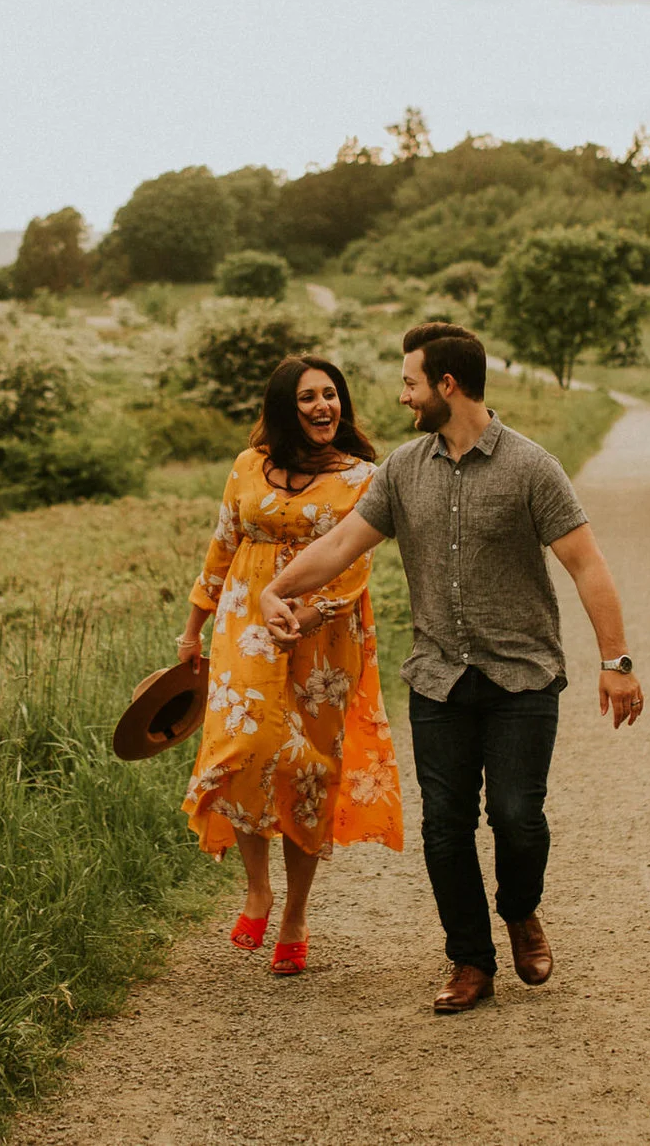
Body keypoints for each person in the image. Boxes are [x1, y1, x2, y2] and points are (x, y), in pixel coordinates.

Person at [261, 322, 642, 1013]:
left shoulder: (531, 466)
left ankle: (520, 909)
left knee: (517, 814)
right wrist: (278, 588)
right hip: (438, 676)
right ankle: (470, 957)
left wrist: (615, 661)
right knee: (446, 824)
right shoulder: (403, 469)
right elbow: (343, 542)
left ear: (447, 384)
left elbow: (587, 563)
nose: (402, 396)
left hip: (521, 673)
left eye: (411, 382)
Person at [174, 354, 403, 977]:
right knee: (243, 747)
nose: (323, 407)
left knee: (307, 766)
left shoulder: (364, 476)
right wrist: (192, 629)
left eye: (331, 395)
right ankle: (257, 888)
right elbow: (221, 547)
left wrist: (312, 611)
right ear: (284, 407)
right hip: (244, 623)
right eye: (308, 398)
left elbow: (356, 563)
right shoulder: (249, 467)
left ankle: (295, 913)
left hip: (325, 635)